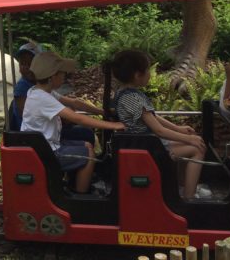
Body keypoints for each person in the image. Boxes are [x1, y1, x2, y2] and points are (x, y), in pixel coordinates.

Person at [106, 50, 208, 200]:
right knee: (198, 148)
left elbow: (152, 116)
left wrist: (178, 129)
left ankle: (184, 186)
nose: (150, 74)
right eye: (148, 70)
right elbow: (159, 130)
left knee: (192, 140)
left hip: (145, 142)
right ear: (137, 75)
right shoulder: (134, 98)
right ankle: (189, 196)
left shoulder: (125, 92)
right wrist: (189, 139)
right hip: (147, 147)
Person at [21, 51, 124, 193]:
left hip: (46, 145)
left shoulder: (41, 92)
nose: (65, 76)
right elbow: (77, 118)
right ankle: (80, 196)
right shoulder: (42, 98)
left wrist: (103, 112)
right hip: (46, 152)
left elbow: (75, 103)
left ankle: (74, 183)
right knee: (89, 156)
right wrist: (114, 125)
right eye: (62, 73)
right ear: (52, 76)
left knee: (88, 145)